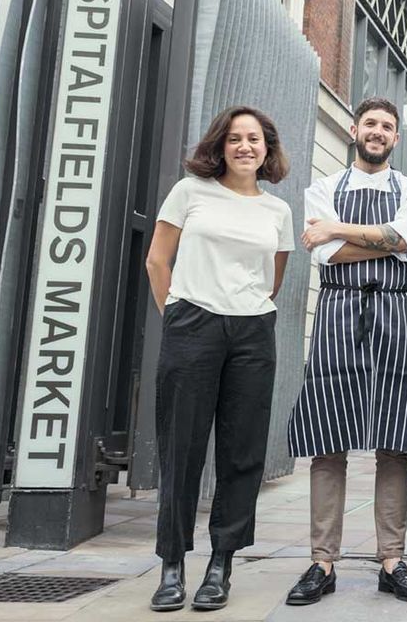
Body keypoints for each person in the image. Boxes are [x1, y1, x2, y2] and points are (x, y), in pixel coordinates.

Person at [284, 97, 407, 606]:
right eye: (370, 123)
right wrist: (384, 242)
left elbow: (406, 239)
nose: (378, 132)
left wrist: (340, 230)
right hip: (337, 313)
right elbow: (324, 251)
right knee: (329, 438)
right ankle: (322, 562)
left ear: (396, 137)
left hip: (396, 314)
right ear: (353, 129)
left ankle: (391, 560)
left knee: (394, 439)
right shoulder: (321, 187)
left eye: (387, 126)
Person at [146, 106, 294, 612]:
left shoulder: (278, 211)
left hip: (253, 330)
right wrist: (177, 316)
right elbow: (157, 260)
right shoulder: (190, 192)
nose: (245, 147)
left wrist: (242, 310)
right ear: (220, 145)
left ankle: (220, 563)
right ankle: (171, 565)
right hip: (193, 324)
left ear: (268, 148)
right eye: (234, 139)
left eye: (254, 139)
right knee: (181, 446)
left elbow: (273, 278)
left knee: (242, 451)